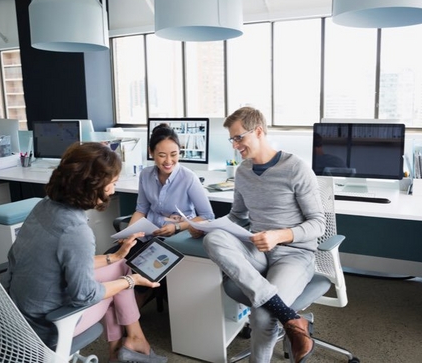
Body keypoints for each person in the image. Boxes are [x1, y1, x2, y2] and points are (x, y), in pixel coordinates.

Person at [2, 142, 167, 363]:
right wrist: (131, 281)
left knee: (119, 265)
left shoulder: (45, 206)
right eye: (112, 183)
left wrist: (115, 256)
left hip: (18, 309)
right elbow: (86, 295)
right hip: (48, 324)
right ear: (92, 185)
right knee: (119, 284)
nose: (113, 190)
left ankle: (128, 346)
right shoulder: (76, 231)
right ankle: (129, 348)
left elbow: (65, 260)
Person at [202, 107, 326, 363]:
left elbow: (318, 224)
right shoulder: (243, 172)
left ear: (258, 131)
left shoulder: (295, 168)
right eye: (232, 139)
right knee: (212, 239)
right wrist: (208, 225)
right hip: (257, 251)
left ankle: (276, 311)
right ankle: (289, 316)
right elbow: (237, 216)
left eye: (238, 138)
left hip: (295, 255)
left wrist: (279, 236)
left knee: (262, 316)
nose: (235, 145)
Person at [124, 123, 214, 239]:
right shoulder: (145, 175)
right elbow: (141, 211)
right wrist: (129, 235)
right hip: (150, 234)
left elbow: (207, 216)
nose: (168, 161)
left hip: (179, 235)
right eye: (162, 155)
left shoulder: (188, 177)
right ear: (151, 152)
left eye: (173, 154)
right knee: (122, 254)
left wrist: (177, 227)